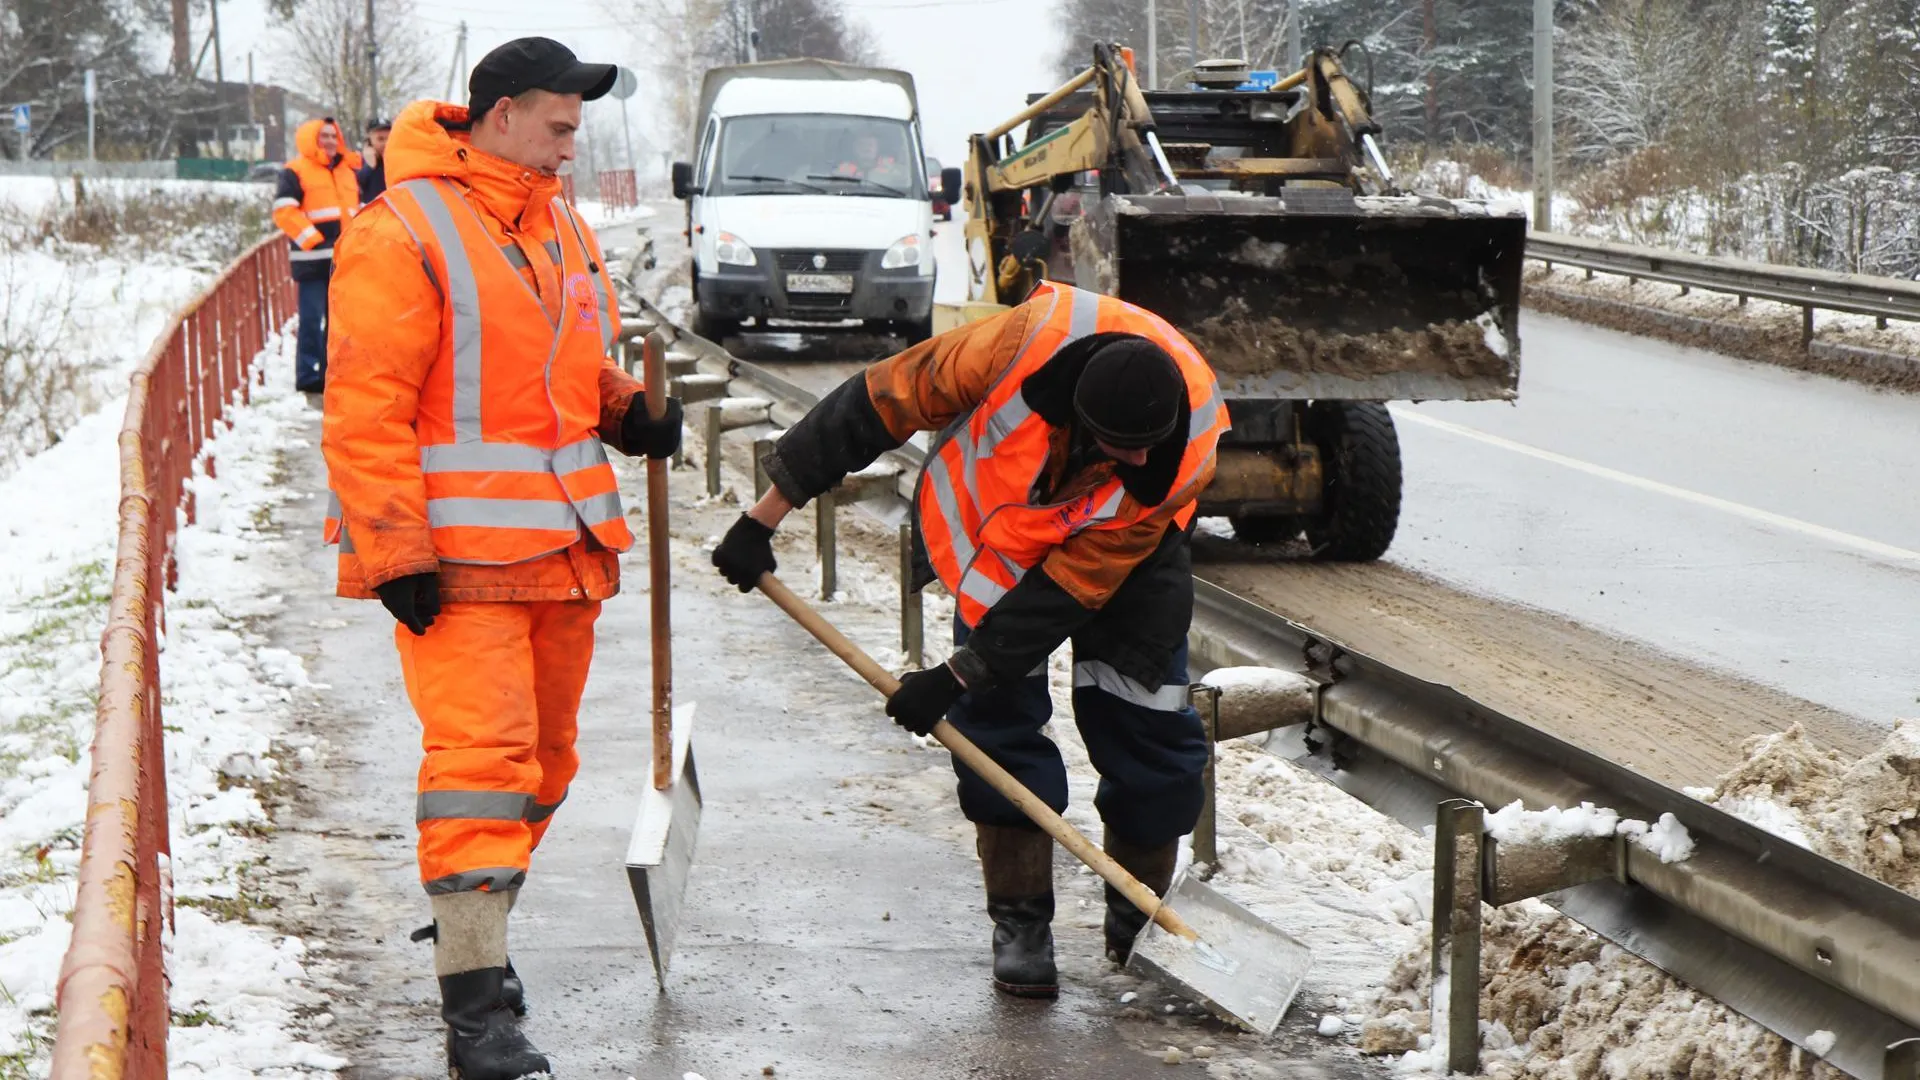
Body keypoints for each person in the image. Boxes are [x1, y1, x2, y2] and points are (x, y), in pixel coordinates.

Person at [320, 38, 681, 1080]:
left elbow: (564, 372)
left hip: (565, 552)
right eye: (560, 126)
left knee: (544, 766)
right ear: (503, 113)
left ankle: (475, 932)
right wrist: (393, 549)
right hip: (461, 560)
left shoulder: (561, 225)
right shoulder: (404, 230)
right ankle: (476, 1009)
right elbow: (367, 403)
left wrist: (629, 413)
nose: (573, 145)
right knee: (479, 770)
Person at [712, 281, 1228, 999]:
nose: (1138, 462)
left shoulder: (1181, 455)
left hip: (1127, 557)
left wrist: (953, 676)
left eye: (1148, 449)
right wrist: (764, 517)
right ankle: (1021, 922)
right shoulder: (1012, 347)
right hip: (1000, 548)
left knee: (1146, 725)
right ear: (1077, 417)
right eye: (1121, 447)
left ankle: (1136, 916)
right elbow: (873, 407)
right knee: (997, 731)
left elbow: (1070, 591)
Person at [273, 117, 359, 393]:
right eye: (324, 136)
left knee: (338, 322)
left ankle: (330, 373)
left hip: (343, 260)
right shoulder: (295, 171)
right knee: (312, 319)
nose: (331, 141)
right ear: (312, 139)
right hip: (312, 262)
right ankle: (307, 376)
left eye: (334, 136)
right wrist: (313, 240)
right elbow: (284, 211)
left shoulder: (347, 171)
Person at [358, 116, 392, 202]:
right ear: (370, 141)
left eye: (389, 138)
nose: (386, 143)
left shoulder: (399, 160)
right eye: (380, 139)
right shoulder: (358, 162)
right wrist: (369, 166)